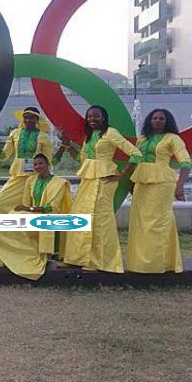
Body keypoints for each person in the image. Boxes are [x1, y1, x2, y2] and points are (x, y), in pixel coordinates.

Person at [54, 105, 141, 273]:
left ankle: (99, 262)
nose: (92, 119)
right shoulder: (89, 136)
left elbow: (136, 153)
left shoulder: (111, 133)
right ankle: (75, 259)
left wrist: (121, 175)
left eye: (96, 116)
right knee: (80, 216)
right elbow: (81, 159)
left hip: (105, 179)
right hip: (88, 179)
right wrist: (67, 145)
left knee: (100, 219)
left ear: (104, 118)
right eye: (89, 117)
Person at [0, 154, 72, 280]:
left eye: (40, 163)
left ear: (48, 164)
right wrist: (23, 209)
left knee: (16, 220)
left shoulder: (59, 183)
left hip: (47, 217)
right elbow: (25, 203)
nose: (37, 166)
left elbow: (53, 207)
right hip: (31, 214)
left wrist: (29, 209)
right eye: (35, 164)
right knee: (10, 218)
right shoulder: (31, 180)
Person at [126, 109, 192, 274]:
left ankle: (158, 264)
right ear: (149, 120)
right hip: (141, 179)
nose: (157, 121)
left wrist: (180, 185)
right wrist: (130, 182)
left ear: (167, 121)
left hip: (163, 181)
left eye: (161, 118)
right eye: (154, 118)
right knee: (139, 221)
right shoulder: (142, 139)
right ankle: (139, 263)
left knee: (158, 221)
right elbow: (135, 159)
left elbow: (186, 162)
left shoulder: (173, 138)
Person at [0, 107, 54, 214]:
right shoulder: (15, 133)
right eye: (26, 117)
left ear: (37, 119)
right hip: (18, 176)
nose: (28, 120)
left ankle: (31, 229)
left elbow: (50, 160)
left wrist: (64, 146)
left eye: (32, 118)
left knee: (32, 206)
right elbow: (3, 156)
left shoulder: (43, 136)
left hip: (35, 177)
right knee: (0, 204)